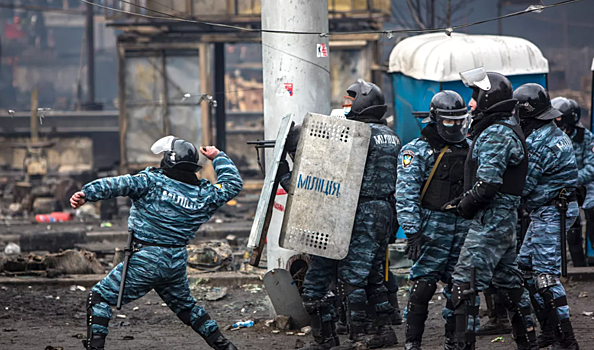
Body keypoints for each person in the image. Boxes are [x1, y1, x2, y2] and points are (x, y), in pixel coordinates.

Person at [71, 137, 243, 350]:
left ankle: (95, 347)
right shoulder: (204, 194)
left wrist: (86, 193)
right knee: (186, 308)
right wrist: (218, 157)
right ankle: (225, 346)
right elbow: (232, 184)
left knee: (100, 298)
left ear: (168, 160)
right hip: (175, 261)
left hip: (145, 258)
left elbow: (119, 184)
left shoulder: (151, 181)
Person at [299, 79, 401, 350]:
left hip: (358, 210)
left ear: (362, 103)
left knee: (353, 278)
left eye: (350, 100)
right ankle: (382, 329)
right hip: (383, 210)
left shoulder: (360, 135)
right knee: (374, 275)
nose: (346, 106)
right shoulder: (389, 135)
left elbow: (329, 170)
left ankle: (358, 336)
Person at [444, 68, 538, 350]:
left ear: (488, 98)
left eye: (475, 96)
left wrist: (464, 205)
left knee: (464, 284)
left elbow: (488, 185)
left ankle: (461, 345)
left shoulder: (496, 133)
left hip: (492, 219)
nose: (470, 103)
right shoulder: (501, 129)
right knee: (508, 281)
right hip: (502, 219)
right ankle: (529, 340)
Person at [396, 90, 471, 350]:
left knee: (461, 286)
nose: (455, 126)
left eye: (459, 120)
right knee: (423, 285)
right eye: (449, 121)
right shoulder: (416, 151)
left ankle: (456, 342)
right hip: (432, 225)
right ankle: (413, 342)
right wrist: (413, 232)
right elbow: (406, 195)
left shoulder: (470, 148)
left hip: (463, 225)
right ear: (435, 118)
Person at [514, 84, 580, 350]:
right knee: (525, 268)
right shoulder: (552, 132)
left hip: (553, 211)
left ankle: (567, 341)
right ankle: (550, 332)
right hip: (550, 210)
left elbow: (524, 186)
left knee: (545, 277)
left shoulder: (538, 142)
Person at [552, 97, 594, 267]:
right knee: (571, 224)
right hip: (563, 188)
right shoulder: (551, 138)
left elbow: (592, 167)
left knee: (592, 212)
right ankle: (578, 264)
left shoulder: (586, 137)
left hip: (585, 185)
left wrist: (572, 180)